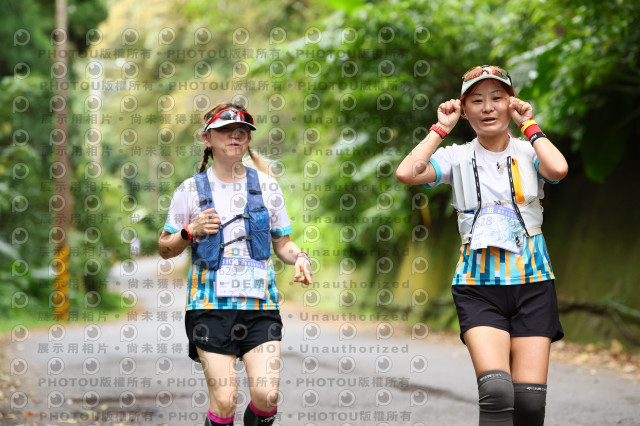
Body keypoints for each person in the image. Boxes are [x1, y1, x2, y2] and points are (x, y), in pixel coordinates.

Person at [396, 65, 568, 426]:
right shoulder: (455, 157)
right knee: (497, 393)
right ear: (464, 109)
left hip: (534, 285)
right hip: (478, 288)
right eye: (476, 101)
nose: (488, 108)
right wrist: (440, 129)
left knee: (529, 404)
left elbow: (557, 169)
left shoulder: (529, 151)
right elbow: (408, 172)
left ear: (511, 103)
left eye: (497, 98)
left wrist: (529, 124)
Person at [158, 102, 313, 426]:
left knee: (267, 397)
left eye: (242, 130)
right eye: (225, 130)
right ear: (207, 139)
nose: (235, 135)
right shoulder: (190, 189)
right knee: (225, 400)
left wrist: (300, 257)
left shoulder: (267, 186)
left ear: (249, 139)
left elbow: (282, 243)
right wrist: (190, 231)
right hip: (209, 308)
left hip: (260, 306)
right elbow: (165, 248)